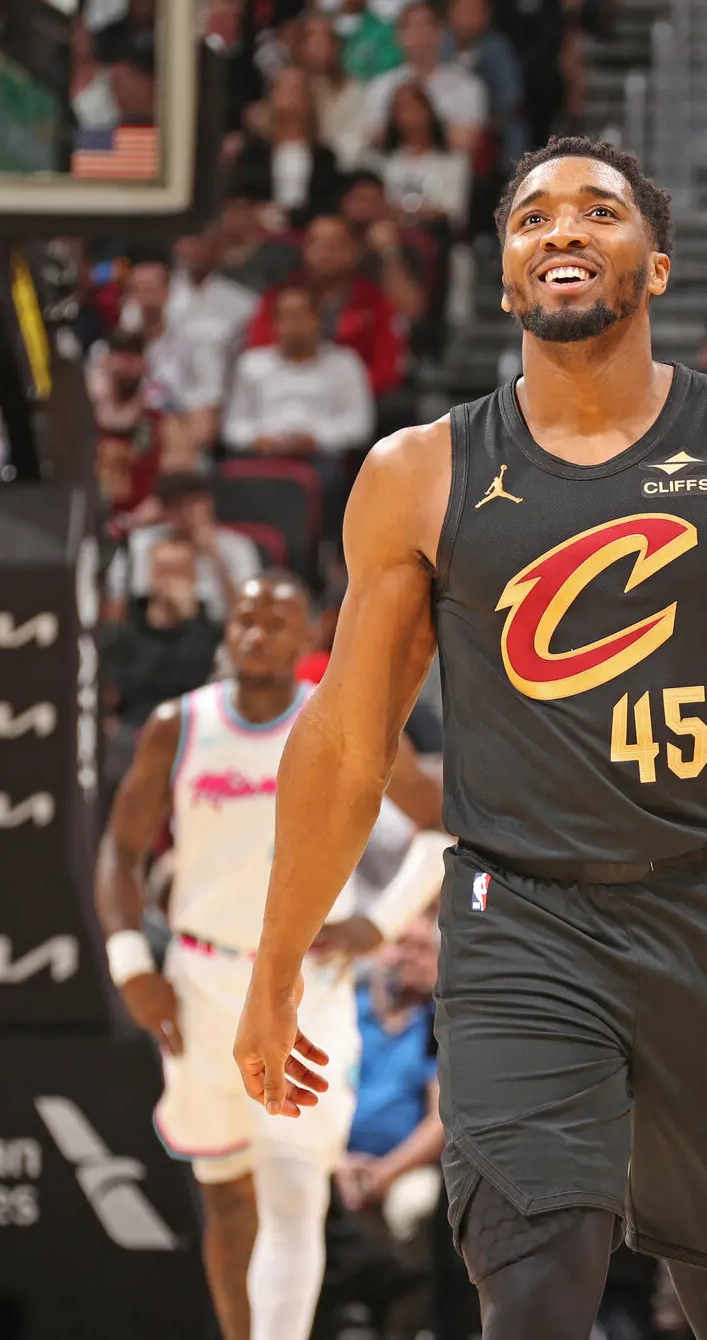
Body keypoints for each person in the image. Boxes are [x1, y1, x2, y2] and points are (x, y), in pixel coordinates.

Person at [231, 137, 707, 1339]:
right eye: (533, 218)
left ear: (656, 264)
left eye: (599, 211)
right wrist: (272, 963)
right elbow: (341, 743)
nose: (564, 231)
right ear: (502, 277)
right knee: (533, 1287)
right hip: (519, 920)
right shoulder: (416, 472)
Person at [95, 573, 445, 1340]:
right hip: (200, 979)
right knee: (225, 1200)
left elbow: (443, 824)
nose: (256, 630)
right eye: (245, 617)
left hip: (307, 982)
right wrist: (132, 965)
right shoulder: (177, 724)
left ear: (305, 637)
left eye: (274, 619)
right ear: (228, 628)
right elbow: (118, 853)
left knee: (292, 1190)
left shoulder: (341, 721)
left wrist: (380, 924)